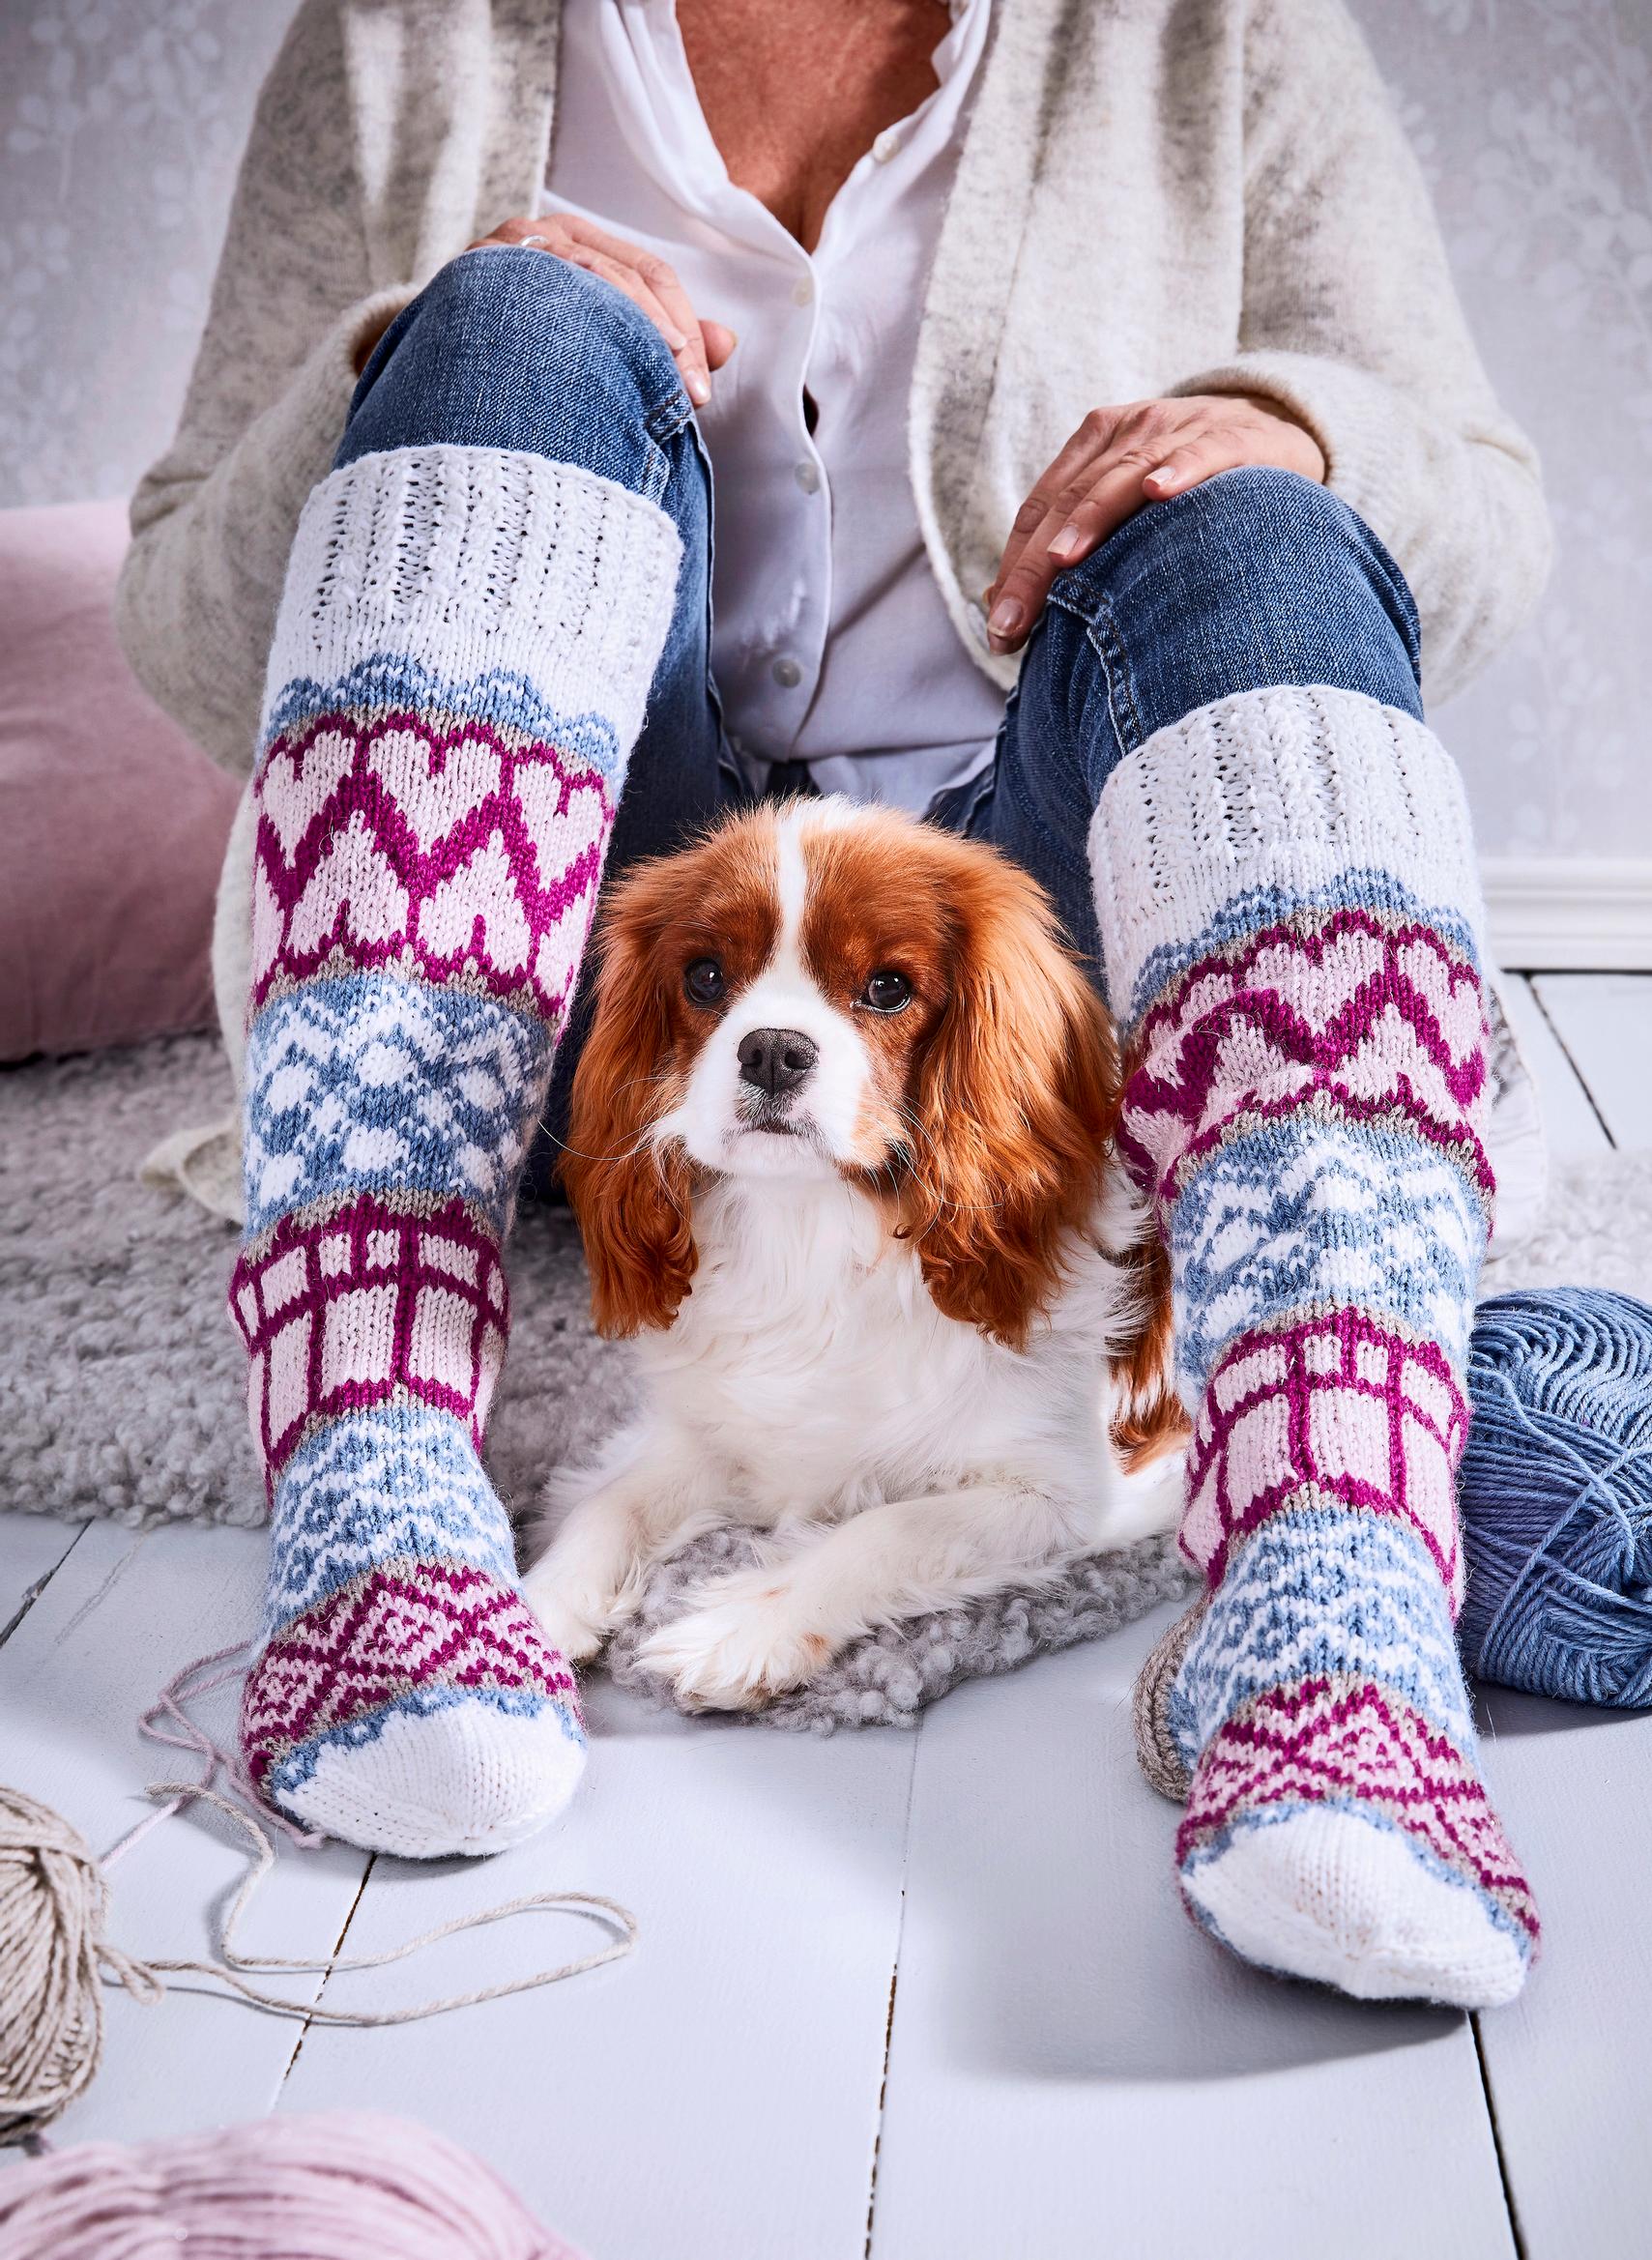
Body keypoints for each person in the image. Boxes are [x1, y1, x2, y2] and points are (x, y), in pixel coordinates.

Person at [118, 0, 1550, 2009]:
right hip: (594, 975)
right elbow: (180, 610)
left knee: (1258, 529)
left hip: (1017, 977)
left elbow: (1479, 519)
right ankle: (367, 1449)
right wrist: (412, 364)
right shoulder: (399, 34)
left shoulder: (1217, 30)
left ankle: (1337, 1590)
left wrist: (1292, 425)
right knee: (512, 334)